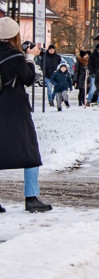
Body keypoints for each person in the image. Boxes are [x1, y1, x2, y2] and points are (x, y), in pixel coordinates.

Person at [0, 17, 52, 212]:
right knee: (30, 151)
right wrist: (29, 57)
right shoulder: (15, 56)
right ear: (15, 35)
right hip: (15, 110)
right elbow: (28, 78)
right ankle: (31, 197)